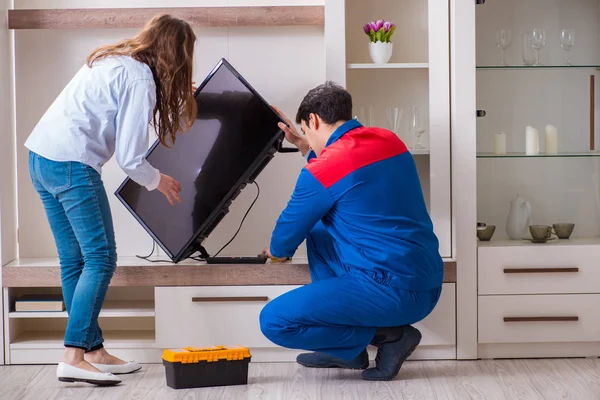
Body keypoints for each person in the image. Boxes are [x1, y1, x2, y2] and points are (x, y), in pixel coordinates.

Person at [24, 14, 196, 386]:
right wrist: (158, 181)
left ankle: (92, 350)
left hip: (40, 158)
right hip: (72, 164)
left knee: (75, 260)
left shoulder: (115, 59)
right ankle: (72, 355)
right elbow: (131, 158)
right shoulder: (140, 78)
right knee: (101, 257)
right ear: (178, 55)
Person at [260, 82, 443, 381]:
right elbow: (346, 174)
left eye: (306, 131)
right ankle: (348, 352)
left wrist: (277, 254)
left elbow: (284, 237)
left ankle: (391, 337)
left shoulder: (324, 169)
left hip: (391, 291)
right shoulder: (389, 140)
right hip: (428, 284)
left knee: (275, 321)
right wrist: (306, 145)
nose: (307, 139)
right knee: (320, 227)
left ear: (314, 120)